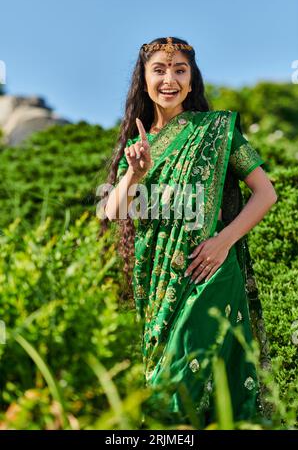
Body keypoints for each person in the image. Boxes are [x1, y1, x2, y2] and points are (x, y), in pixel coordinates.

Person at [101, 37, 277, 428]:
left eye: (180, 70)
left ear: (192, 80)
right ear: (144, 80)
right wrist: (135, 172)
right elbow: (113, 212)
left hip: (210, 269)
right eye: (159, 70)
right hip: (157, 279)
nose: (170, 79)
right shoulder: (137, 146)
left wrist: (223, 240)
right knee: (172, 382)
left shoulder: (218, 130)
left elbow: (266, 193)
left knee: (177, 385)